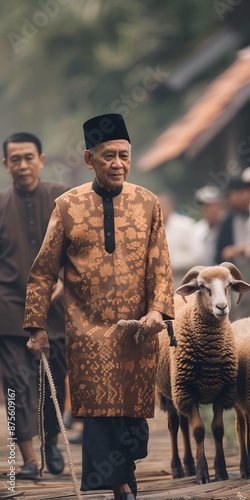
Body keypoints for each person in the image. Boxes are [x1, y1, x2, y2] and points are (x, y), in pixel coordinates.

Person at [23, 113, 175, 500]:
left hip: (139, 328)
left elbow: (160, 264)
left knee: (134, 418)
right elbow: (43, 272)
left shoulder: (148, 203)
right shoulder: (67, 206)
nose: (117, 164)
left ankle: (124, 471)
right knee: (98, 412)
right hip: (87, 330)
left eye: (124, 155)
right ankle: (119, 483)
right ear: (89, 159)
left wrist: (158, 311)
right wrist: (37, 327)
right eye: (108, 156)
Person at [0, 132, 68, 479]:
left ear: (41, 159)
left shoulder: (62, 199)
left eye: (29, 157)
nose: (23, 165)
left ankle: (51, 441)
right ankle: (27, 459)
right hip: (9, 310)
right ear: (5, 164)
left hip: (54, 312)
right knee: (16, 385)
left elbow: (80, 250)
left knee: (54, 378)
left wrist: (64, 279)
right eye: (16, 159)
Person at [215, 176, 250, 319]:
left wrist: (242, 250)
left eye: (230, 196)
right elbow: (220, 249)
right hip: (238, 272)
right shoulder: (228, 220)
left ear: (242, 192)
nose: (228, 201)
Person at [157, 192, 202, 289]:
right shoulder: (149, 229)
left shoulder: (185, 225)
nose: (160, 209)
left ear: (170, 206)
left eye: (162, 206)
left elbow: (197, 255)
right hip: (159, 286)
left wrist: (170, 262)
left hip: (184, 282)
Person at [193, 185, 225, 266]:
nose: (206, 209)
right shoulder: (197, 230)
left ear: (220, 205)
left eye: (209, 205)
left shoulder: (228, 225)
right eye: (203, 205)